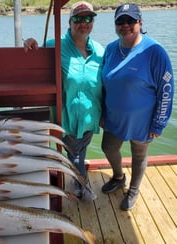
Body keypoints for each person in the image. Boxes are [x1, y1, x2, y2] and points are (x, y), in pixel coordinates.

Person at [24, 1, 104, 199]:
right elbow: (35, 61)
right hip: (67, 118)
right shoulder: (54, 45)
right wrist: (31, 44)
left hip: (90, 117)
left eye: (88, 18)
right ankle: (83, 187)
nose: (83, 23)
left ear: (93, 22)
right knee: (75, 155)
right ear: (69, 22)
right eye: (78, 18)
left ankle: (77, 181)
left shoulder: (101, 51)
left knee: (80, 152)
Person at [101, 3, 174, 210]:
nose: (125, 25)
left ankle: (134, 189)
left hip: (143, 120)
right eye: (120, 21)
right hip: (114, 117)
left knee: (139, 155)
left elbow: (166, 89)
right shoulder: (110, 49)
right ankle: (118, 177)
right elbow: (104, 85)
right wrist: (103, 112)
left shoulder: (154, 51)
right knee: (108, 147)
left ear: (140, 23)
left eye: (130, 20)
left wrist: (159, 123)